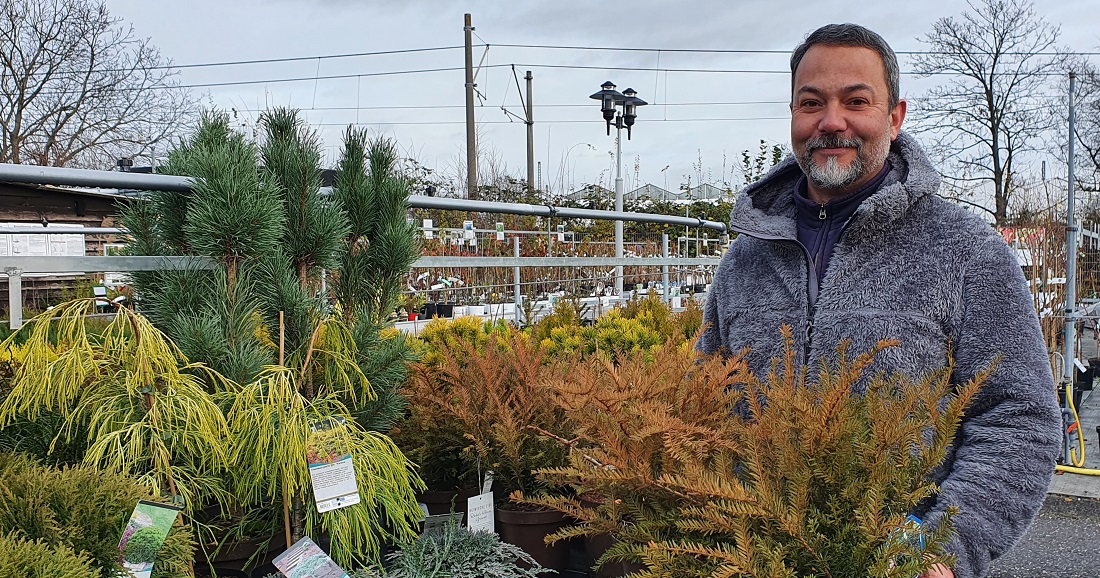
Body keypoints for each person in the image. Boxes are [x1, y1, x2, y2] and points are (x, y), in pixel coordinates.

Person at [698, 23, 1061, 578]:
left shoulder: (965, 249)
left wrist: (945, 543)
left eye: (856, 101)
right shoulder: (746, 259)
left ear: (895, 117)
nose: (831, 121)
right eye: (811, 102)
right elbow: (704, 402)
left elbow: (1019, 417)